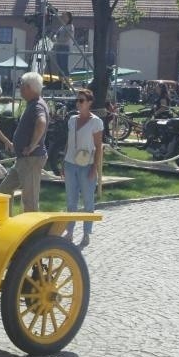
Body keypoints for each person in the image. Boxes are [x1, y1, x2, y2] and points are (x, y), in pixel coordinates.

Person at [0, 72, 49, 214]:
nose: (20, 89)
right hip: (23, 159)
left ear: (29, 87)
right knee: (5, 189)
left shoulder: (37, 105)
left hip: (31, 159)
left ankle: (33, 234)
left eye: (21, 86)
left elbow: (42, 122)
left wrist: (32, 146)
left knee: (30, 200)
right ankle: (5, 220)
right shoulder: (33, 104)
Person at [63, 88, 104, 248]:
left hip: (87, 165)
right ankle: (70, 231)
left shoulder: (96, 122)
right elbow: (68, 142)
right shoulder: (72, 120)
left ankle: (87, 233)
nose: (78, 103)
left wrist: (95, 168)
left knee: (88, 200)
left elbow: (98, 147)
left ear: (89, 103)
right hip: (70, 164)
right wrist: (63, 162)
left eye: (81, 100)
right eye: (77, 100)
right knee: (71, 201)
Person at [53, 11, 74, 76]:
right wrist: (55, 37)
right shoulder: (62, 27)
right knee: (59, 67)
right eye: (62, 16)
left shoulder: (70, 27)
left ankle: (67, 83)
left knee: (64, 66)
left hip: (64, 47)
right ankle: (60, 83)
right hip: (58, 47)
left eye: (65, 16)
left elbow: (67, 38)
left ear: (69, 18)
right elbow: (56, 34)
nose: (63, 18)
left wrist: (57, 40)